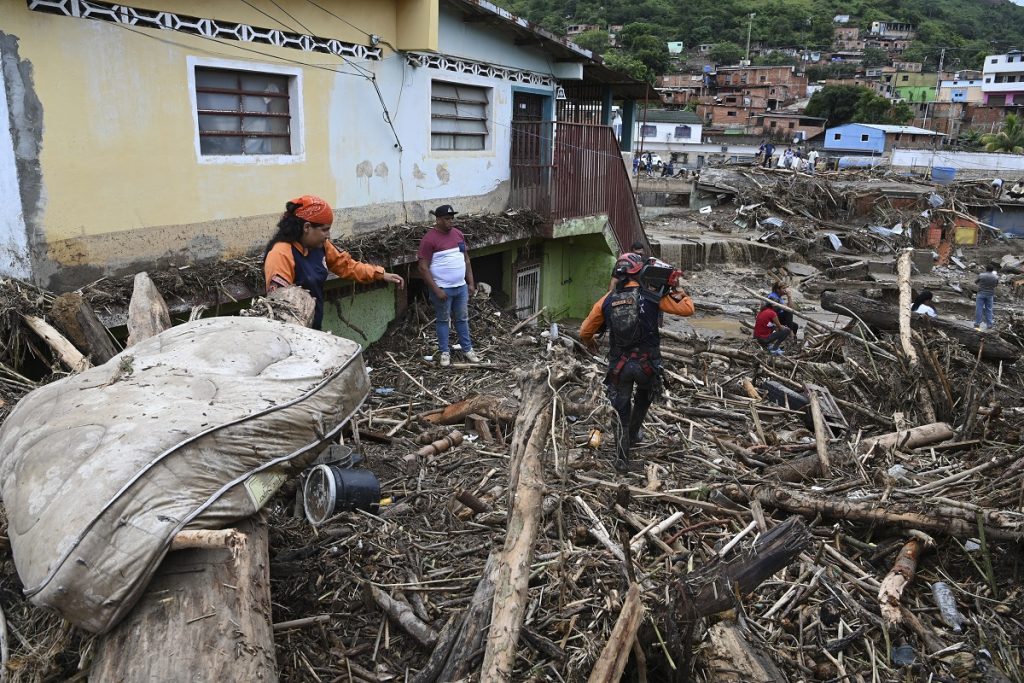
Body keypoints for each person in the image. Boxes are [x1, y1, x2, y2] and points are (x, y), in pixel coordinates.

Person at [580, 253, 694, 471]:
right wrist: (676, 287)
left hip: (619, 367)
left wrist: (590, 341)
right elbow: (688, 309)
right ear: (641, 271)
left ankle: (621, 459)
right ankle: (633, 435)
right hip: (647, 365)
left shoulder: (607, 300)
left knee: (620, 409)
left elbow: (585, 331)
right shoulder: (652, 295)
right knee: (643, 398)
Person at [264, 195, 405, 330]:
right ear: (306, 227)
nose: (328, 235)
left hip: (313, 329)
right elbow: (281, 307)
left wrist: (380, 274)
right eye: (325, 230)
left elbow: (347, 266)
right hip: (295, 335)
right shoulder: (281, 254)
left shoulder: (321, 246)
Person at [418, 205, 480, 367]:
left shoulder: (458, 234)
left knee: (462, 319)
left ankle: (467, 349)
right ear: (438, 220)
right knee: (443, 320)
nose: (450, 221)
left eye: (452, 218)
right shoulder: (429, 239)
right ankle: (444, 352)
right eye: (446, 218)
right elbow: (423, 268)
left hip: (461, 288)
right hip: (443, 289)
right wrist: (436, 289)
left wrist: (471, 283)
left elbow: (466, 259)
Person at [974, 263, 998, 331]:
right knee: (989, 309)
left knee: (979, 308)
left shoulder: (981, 275)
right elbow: (996, 285)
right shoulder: (996, 277)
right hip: (990, 295)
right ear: (992, 270)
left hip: (981, 294)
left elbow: (976, 282)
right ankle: (989, 325)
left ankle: (977, 323)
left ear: (986, 269)